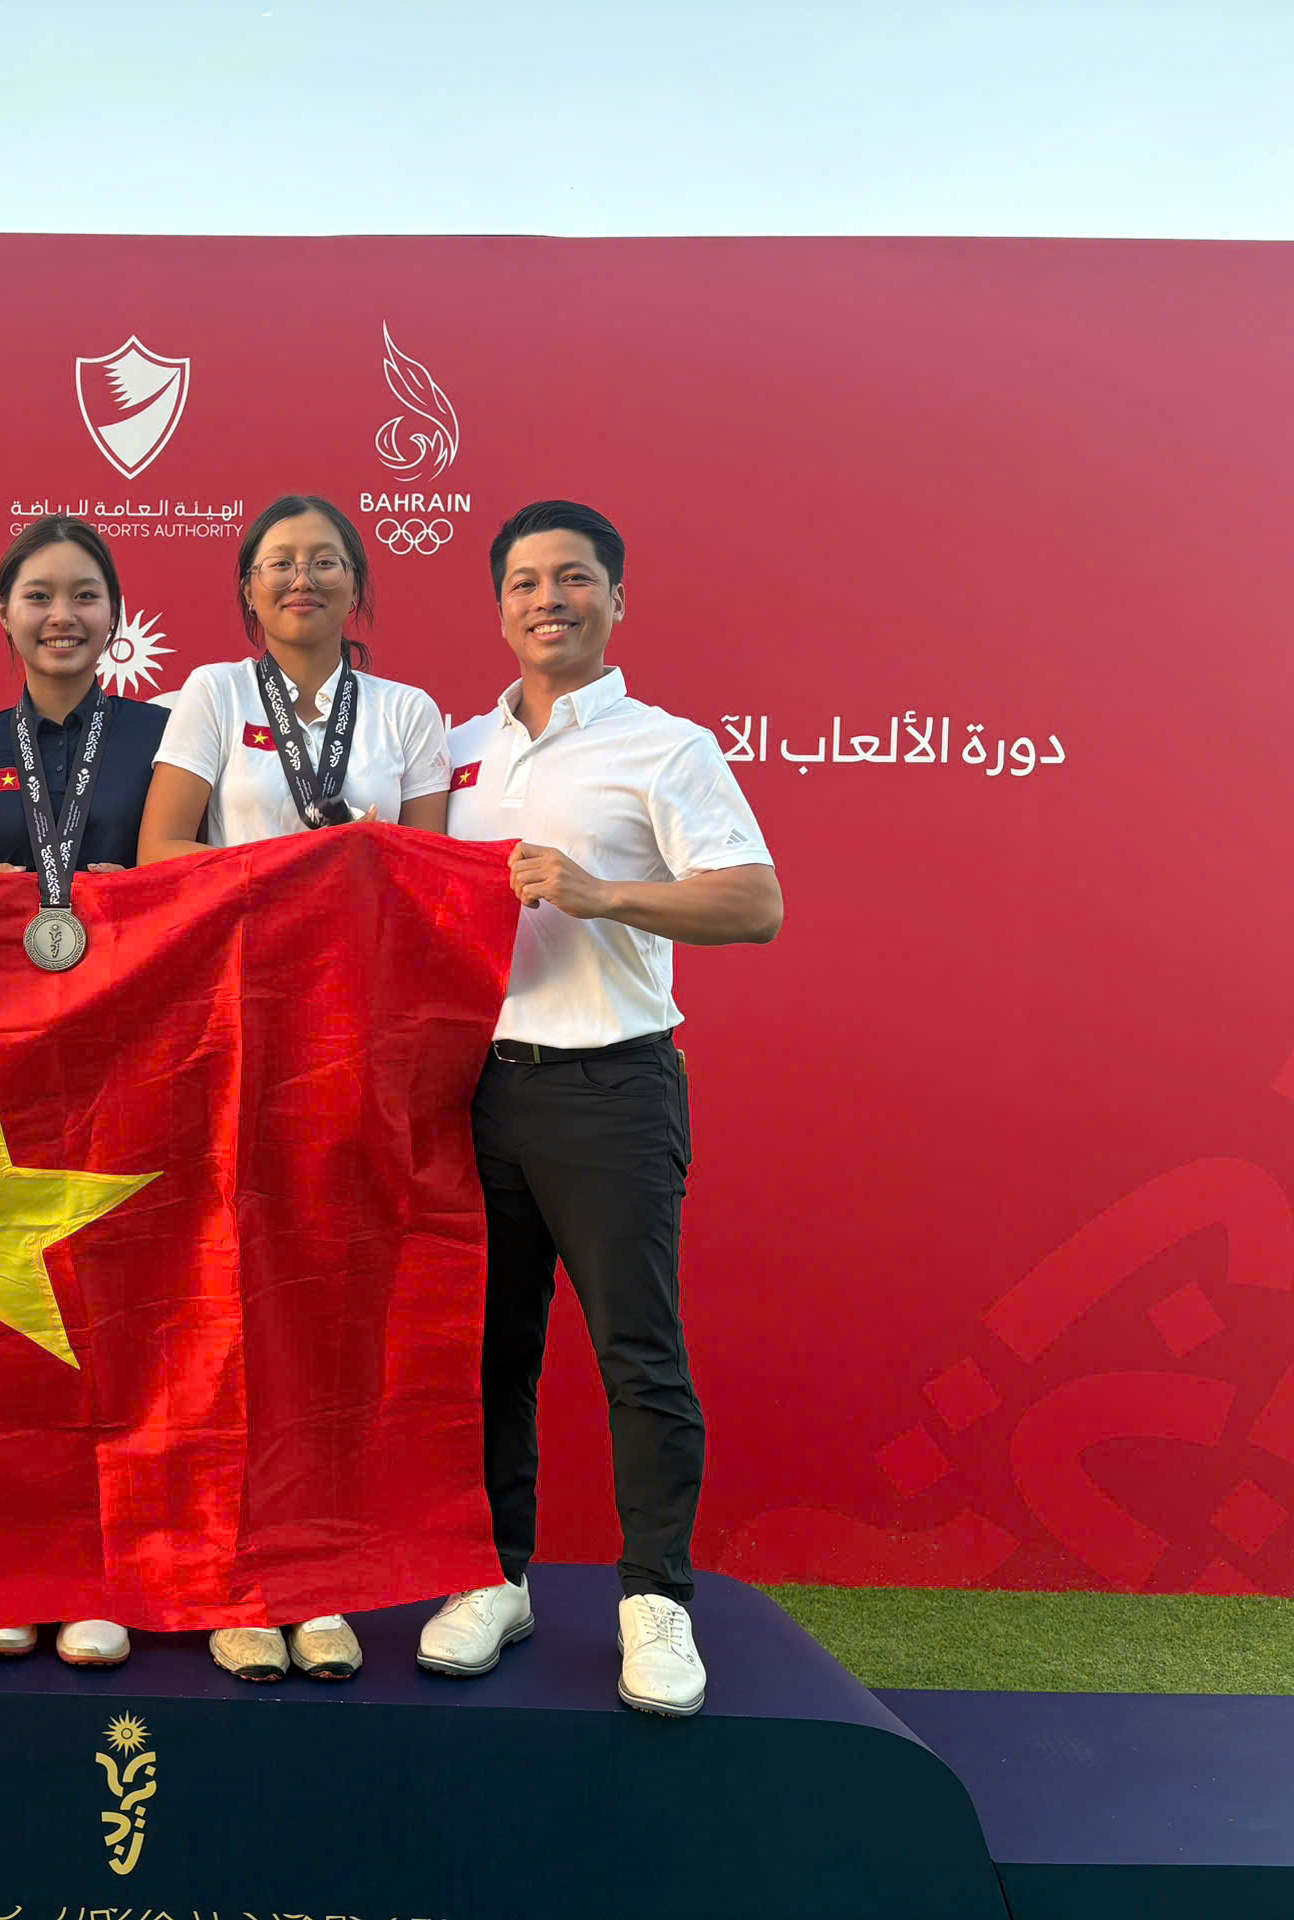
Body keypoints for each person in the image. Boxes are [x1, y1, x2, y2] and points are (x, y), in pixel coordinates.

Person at [417, 499, 781, 1719]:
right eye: (525, 582)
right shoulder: (455, 750)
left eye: (572, 579)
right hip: (478, 1091)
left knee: (637, 1353)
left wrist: (601, 893)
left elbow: (754, 904)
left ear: (615, 599)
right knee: (490, 1353)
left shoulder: (664, 748)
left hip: (611, 1085)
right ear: (498, 607)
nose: (548, 600)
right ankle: (493, 1576)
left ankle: (656, 1599)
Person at [138, 493, 453, 1682]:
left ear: (357, 585)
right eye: (278, 562)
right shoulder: (214, 694)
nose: (301, 578)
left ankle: (315, 1581)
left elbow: (429, 879)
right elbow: (161, 850)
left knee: (329, 1302)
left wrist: (365, 866)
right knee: (225, 1295)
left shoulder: (408, 712)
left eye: (324, 560)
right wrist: (307, 866)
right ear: (247, 589)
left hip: (353, 1040)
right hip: (233, 1029)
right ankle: (230, 1571)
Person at [0, 513, 170, 1670]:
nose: (61, 616)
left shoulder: (169, 739)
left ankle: (103, 1573)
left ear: (115, 614)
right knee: (2, 1334)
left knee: (120, 1319)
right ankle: (7, 1566)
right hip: (0, 1075)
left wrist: (140, 892)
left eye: (83, 595)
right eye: (38, 595)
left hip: (137, 1060)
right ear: (3, 614)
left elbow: (210, 879)